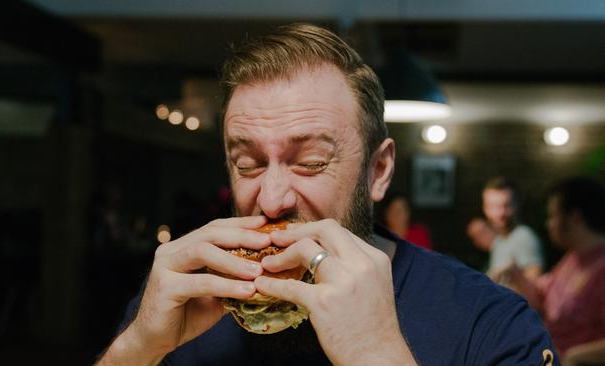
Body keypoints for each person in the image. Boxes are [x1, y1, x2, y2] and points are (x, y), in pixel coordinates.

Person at [96, 24, 557, 365]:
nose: (272, 199)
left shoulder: (490, 321)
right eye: (249, 164)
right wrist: (137, 347)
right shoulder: (183, 297)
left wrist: (374, 354)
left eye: (311, 163)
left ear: (378, 171)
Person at [492, 177, 605, 365]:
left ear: (575, 217)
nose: (548, 224)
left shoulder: (600, 267)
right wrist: (515, 274)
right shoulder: (572, 259)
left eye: (553, 216)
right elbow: (540, 298)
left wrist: (574, 356)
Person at [479, 177, 544, 280]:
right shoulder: (498, 241)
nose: (500, 213)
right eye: (493, 206)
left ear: (517, 205)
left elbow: (534, 286)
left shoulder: (524, 237)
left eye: (506, 205)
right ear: (485, 208)